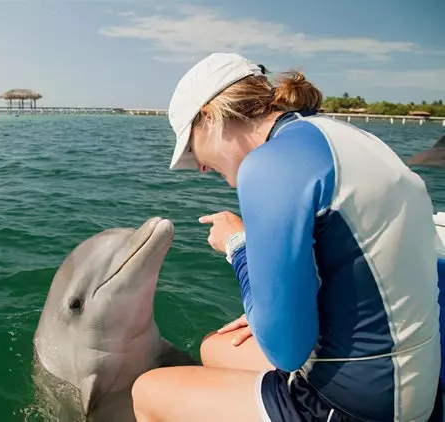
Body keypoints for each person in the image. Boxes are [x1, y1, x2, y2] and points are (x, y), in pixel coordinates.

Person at [131, 52, 443, 421]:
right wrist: (268, 309)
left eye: (190, 147)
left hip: (359, 404)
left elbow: (285, 351)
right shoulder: (341, 135)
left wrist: (237, 246)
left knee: (149, 391)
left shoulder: (270, 166)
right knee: (215, 348)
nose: (198, 167)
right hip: (415, 370)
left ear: (210, 118)